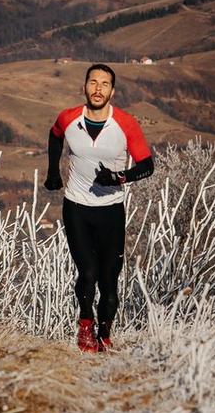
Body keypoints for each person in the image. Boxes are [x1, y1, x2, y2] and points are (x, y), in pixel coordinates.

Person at [44, 63, 154, 353]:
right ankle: (85, 325)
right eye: (93, 82)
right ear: (84, 87)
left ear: (112, 91)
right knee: (88, 272)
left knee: (109, 280)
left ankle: (104, 336)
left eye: (104, 84)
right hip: (76, 207)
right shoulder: (68, 118)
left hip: (110, 210)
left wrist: (118, 177)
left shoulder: (125, 124)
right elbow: (55, 136)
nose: (98, 89)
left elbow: (147, 165)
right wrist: (53, 172)